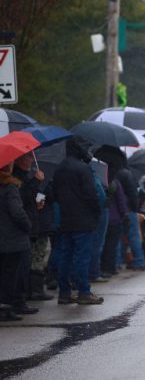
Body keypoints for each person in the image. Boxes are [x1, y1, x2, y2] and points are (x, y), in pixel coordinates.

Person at [51, 136, 104, 305]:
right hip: (83, 220)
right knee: (82, 257)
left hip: (66, 219)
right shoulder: (83, 168)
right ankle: (84, 292)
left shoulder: (59, 168)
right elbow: (92, 195)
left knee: (65, 256)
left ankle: (64, 292)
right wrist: (96, 213)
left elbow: (54, 194)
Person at [12, 153, 52, 302]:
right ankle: (32, 291)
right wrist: (36, 181)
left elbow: (35, 197)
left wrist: (41, 189)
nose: (30, 160)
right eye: (27, 157)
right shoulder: (17, 178)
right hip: (28, 225)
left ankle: (31, 290)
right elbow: (23, 197)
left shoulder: (28, 175)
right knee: (34, 258)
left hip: (36, 221)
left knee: (35, 256)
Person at [0, 162, 33, 320]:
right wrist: (28, 225)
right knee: (11, 275)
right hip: (12, 239)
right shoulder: (10, 187)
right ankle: (6, 308)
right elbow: (17, 212)